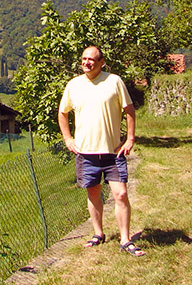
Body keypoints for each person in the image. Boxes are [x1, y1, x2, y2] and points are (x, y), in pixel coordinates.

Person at [58, 45, 145, 256]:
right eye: (84, 59)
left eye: (92, 59)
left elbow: (129, 110)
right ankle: (98, 234)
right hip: (86, 153)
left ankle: (125, 239)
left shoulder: (114, 81)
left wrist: (130, 138)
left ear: (101, 62)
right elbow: (63, 113)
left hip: (113, 152)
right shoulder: (73, 85)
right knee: (93, 193)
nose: (87, 62)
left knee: (121, 194)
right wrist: (68, 138)